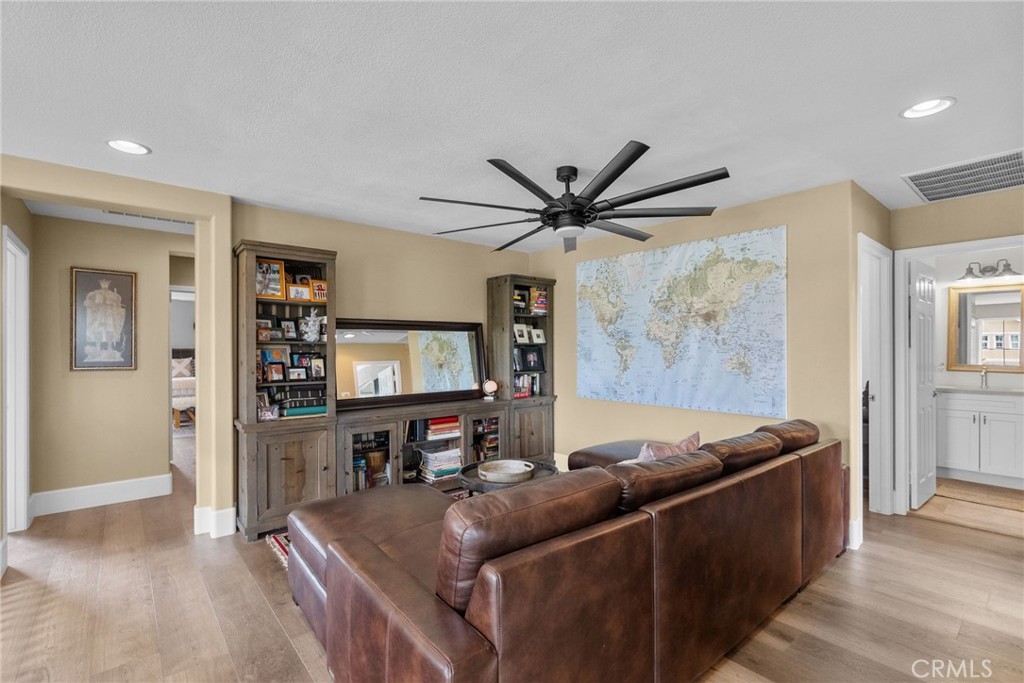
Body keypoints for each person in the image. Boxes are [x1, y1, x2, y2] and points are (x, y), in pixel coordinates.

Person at [83, 278, 126, 361]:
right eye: (103, 284)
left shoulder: (114, 294)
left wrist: (114, 303)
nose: (104, 286)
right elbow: (87, 302)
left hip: (109, 313)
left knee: (109, 331)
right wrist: (93, 305)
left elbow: (118, 304)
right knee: (98, 330)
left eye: (106, 284)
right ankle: (98, 347)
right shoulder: (95, 293)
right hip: (99, 313)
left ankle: (109, 347)